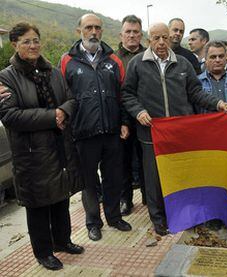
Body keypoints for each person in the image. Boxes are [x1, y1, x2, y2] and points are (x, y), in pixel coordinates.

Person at [121, 22, 227, 236]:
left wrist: (218, 104)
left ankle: (184, 214)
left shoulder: (183, 64)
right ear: (149, 41)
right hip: (151, 132)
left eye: (165, 37)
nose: (162, 42)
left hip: (179, 133)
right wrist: (139, 112)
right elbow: (127, 94)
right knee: (154, 179)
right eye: (157, 38)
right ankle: (158, 219)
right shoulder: (137, 64)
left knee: (182, 175)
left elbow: (196, 93)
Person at [0, 22, 84, 271]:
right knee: (38, 204)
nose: (33, 45)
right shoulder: (6, 77)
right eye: (26, 41)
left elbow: (70, 99)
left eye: (36, 39)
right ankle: (43, 252)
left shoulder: (53, 71)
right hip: (31, 153)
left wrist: (63, 111)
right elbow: (10, 116)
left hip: (58, 147)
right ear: (14, 44)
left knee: (60, 197)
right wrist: (52, 116)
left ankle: (63, 240)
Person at [60, 14, 132, 241]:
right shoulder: (66, 61)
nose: (93, 32)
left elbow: (123, 95)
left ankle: (114, 217)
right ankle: (93, 222)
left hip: (111, 131)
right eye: (88, 27)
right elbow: (62, 96)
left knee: (113, 178)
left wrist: (124, 122)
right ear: (78, 30)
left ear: (102, 31)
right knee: (89, 182)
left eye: (97, 28)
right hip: (83, 133)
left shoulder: (114, 61)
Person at [115, 14, 147, 216]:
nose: (132, 35)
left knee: (146, 162)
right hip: (122, 120)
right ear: (121, 34)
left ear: (141, 34)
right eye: (128, 32)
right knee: (123, 162)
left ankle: (148, 196)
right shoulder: (112, 59)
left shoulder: (149, 56)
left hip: (146, 117)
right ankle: (125, 199)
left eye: (136, 32)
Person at [198, 40, 227, 108]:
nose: (217, 60)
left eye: (221, 56)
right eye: (213, 57)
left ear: (226, 58)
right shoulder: (197, 82)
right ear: (206, 60)